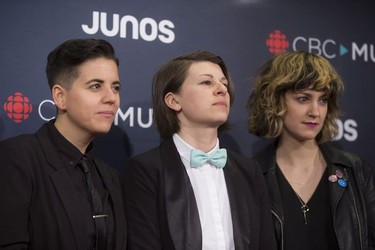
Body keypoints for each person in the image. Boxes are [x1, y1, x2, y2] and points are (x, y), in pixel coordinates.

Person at [123, 50, 277, 250]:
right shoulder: (146, 170)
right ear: (173, 101)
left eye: (224, 83)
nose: (222, 89)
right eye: (207, 82)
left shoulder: (249, 170)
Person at [0, 38, 127, 250]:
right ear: (60, 97)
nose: (111, 98)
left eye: (115, 87)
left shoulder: (109, 176)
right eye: (96, 86)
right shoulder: (17, 159)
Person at [246, 51, 375, 250]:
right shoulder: (252, 176)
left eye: (322, 100)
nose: (315, 111)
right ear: (275, 101)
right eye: (303, 98)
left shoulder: (355, 170)